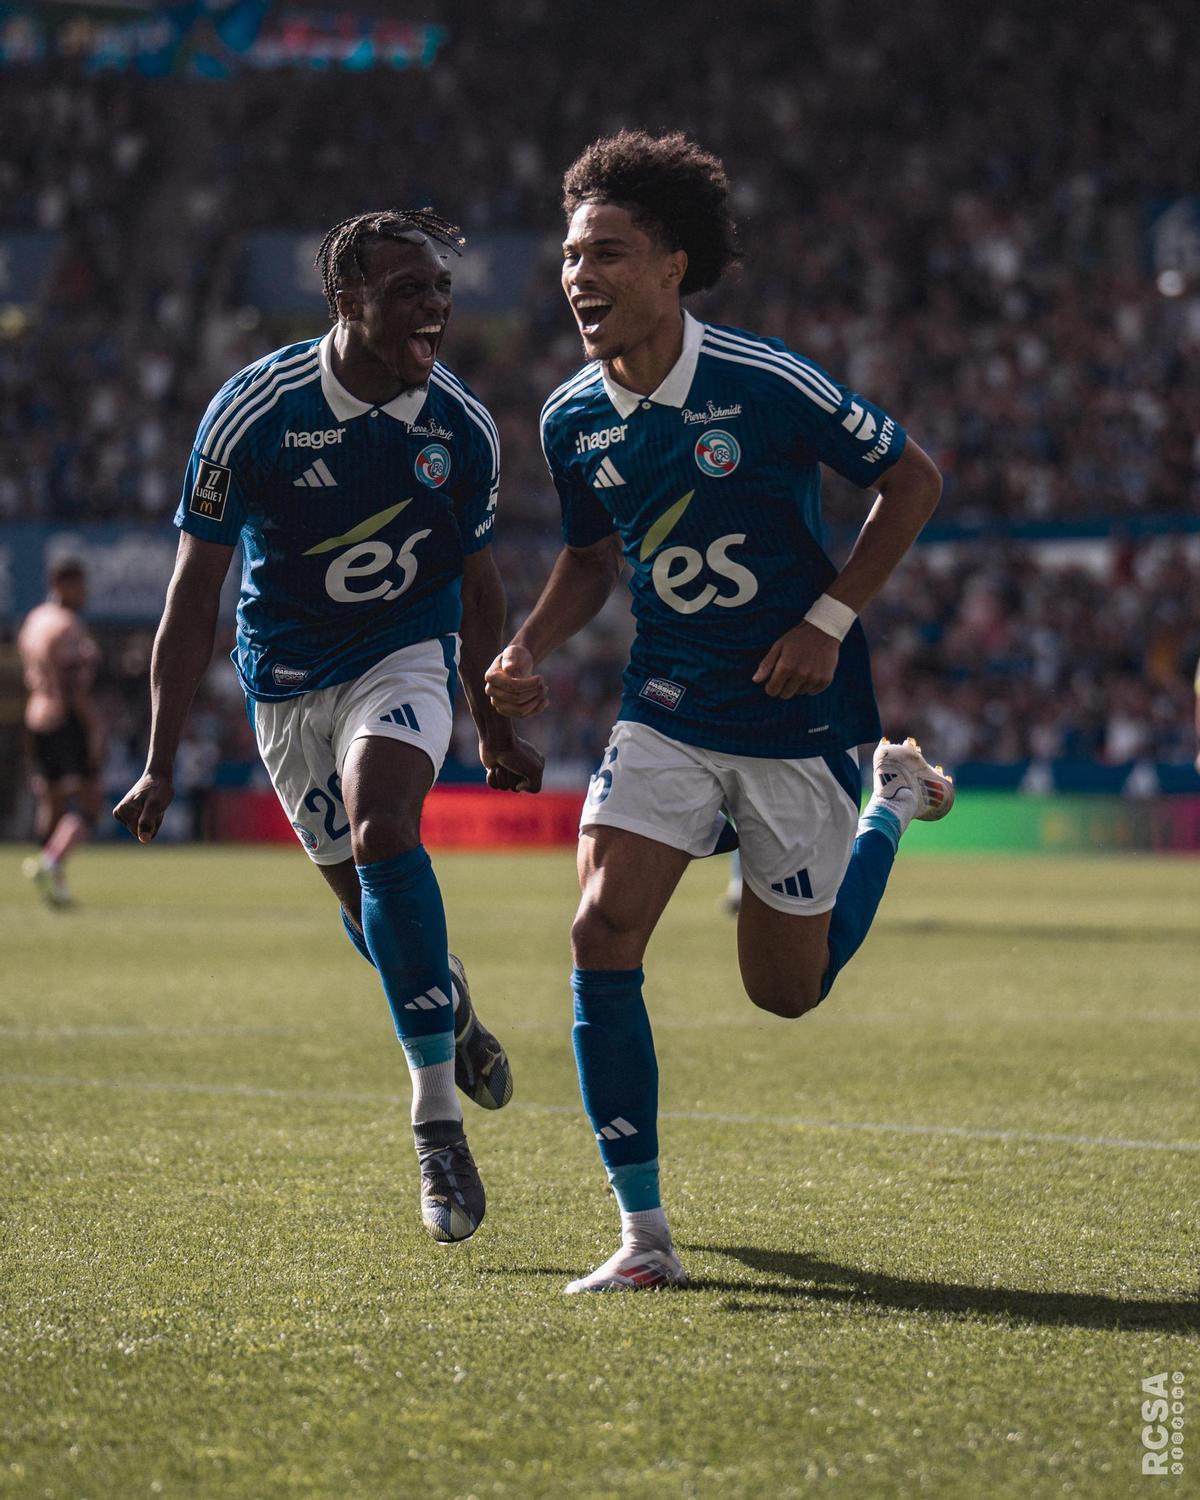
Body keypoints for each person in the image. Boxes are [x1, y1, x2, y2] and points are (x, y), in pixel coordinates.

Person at [486, 132, 954, 1293]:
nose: (580, 276)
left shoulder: (766, 380)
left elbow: (915, 480)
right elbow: (592, 560)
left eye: (608, 253)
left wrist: (830, 621)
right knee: (599, 932)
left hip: (795, 712)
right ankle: (645, 1240)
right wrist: (526, 644)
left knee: (785, 995)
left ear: (672, 267)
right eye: (570, 254)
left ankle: (887, 806)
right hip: (668, 700)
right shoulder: (568, 420)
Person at [114, 209, 543, 1244]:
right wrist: (160, 760)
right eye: (408, 290)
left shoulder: (463, 428)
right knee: (372, 915)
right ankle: (451, 1002)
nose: (434, 307)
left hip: (403, 655)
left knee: (387, 825)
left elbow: (479, 586)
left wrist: (486, 720)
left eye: (441, 289)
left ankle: (435, 1125)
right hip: (285, 685)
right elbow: (192, 598)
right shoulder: (251, 413)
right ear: (346, 301)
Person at [18, 557, 104, 908]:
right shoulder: (67, 627)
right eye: (81, 586)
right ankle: (51, 862)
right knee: (90, 800)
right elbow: (72, 686)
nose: (85, 594)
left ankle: (52, 883)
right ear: (64, 585)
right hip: (64, 717)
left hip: (35, 715)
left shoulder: (34, 620)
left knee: (50, 798)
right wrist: (94, 726)